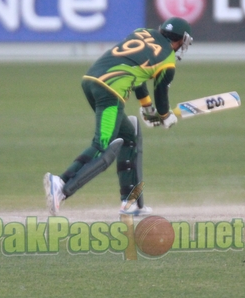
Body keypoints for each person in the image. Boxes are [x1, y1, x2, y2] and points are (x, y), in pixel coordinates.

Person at [43, 18, 193, 216]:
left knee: (128, 137)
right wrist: (165, 116)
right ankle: (61, 183)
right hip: (110, 91)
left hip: (91, 81)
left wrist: (147, 108)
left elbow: (137, 72)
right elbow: (162, 93)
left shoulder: (144, 32)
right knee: (102, 145)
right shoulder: (167, 60)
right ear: (181, 40)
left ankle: (129, 203)